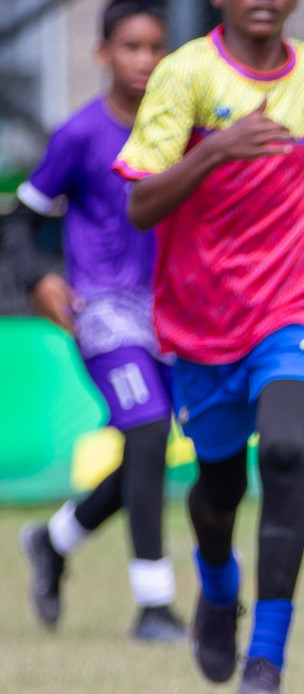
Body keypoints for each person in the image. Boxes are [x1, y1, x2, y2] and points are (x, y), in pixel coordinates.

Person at [114, 0, 304, 694]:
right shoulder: (184, 75)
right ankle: (216, 584)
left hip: (299, 297)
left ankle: (265, 659)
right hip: (203, 318)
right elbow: (141, 205)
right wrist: (214, 149)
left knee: (288, 451)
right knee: (218, 489)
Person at [15, 0, 186, 644]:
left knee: (148, 450)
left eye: (155, 48)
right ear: (102, 54)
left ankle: (54, 541)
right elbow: (20, 218)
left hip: (172, 310)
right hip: (104, 310)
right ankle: (153, 605)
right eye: (131, 47)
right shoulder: (80, 135)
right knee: (146, 430)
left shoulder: (178, 129)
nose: (144, 61)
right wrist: (38, 277)